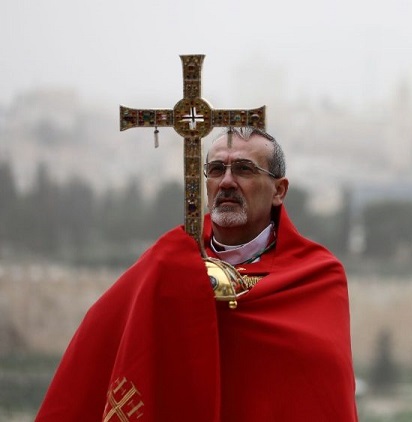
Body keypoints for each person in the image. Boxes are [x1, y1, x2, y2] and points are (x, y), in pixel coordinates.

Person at [36, 127, 358, 421]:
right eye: (217, 169)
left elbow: (322, 392)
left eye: (244, 169)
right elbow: (99, 341)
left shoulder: (317, 276)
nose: (227, 182)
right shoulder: (166, 261)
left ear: (279, 190)